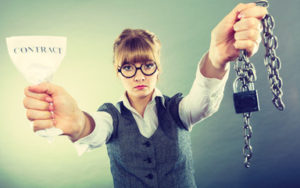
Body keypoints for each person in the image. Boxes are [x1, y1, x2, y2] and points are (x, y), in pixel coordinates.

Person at [23, 3, 267, 187]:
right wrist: (78, 122)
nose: (138, 76)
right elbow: (96, 126)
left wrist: (216, 59)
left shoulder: (177, 109)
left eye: (147, 65)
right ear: (117, 73)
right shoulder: (111, 117)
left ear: (158, 70)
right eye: (128, 67)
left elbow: (201, 104)